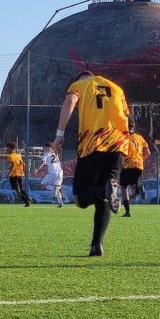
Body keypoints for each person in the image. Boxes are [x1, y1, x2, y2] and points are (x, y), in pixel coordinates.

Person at [52, 71, 130, 256]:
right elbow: (126, 118)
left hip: (93, 143)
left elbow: (70, 102)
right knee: (105, 198)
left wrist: (59, 135)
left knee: (79, 198)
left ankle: (105, 190)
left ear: (79, 79)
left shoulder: (80, 85)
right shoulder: (117, 88)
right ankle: (97, 245)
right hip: (118, 144)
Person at [119, 123, 150, 217]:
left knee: (124, 188)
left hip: (126, 166)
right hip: (138, 165)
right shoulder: (140, 138)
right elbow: (147, 153)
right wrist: (140, 160)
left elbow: (120, 153)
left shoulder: (123, 138)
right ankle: (139, 186)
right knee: (135, 183)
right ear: (133, 127)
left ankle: (128, 211)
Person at [36, 142, 65, 208]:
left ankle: (55, 189)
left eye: (45, 147)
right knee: (57, 187)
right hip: (60, 172)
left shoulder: (46, 154)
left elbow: (43, 163)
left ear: (48, 147)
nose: (44, 149)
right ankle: (60, 202)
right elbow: (51, 162)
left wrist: (37, 169)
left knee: (43, 185)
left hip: (53, 172)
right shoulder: (55, 154)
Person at [4, 142, 32, 207]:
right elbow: (23, 164)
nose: (6, 150)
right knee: (21, 189)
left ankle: (27, 201)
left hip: (14, 175)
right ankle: (28, 197)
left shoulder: (10, 156)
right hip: (19, 174)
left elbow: (13, 165)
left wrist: (9, 173)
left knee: (17, 190)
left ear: (11, 148)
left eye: (7, 148)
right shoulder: (19, 155)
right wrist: (23, 171)